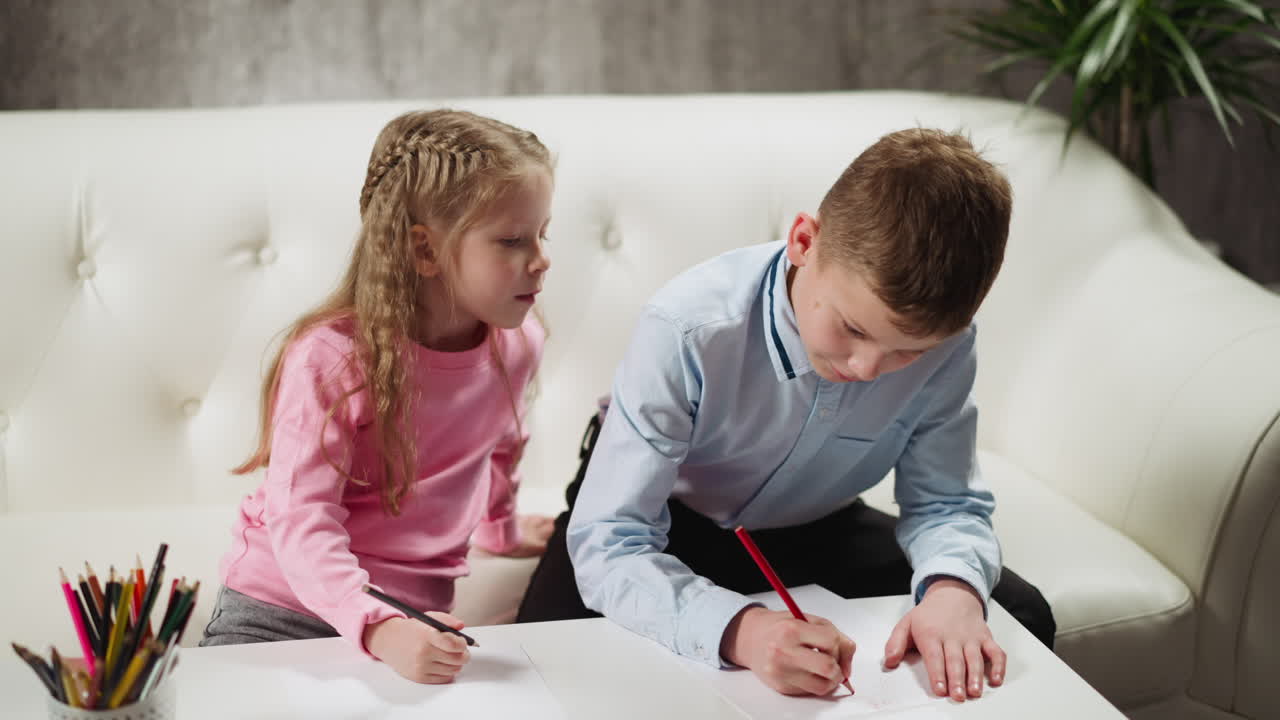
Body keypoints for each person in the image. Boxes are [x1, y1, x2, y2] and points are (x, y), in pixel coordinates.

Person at [517, 128, 1054, 703]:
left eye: (908, 352)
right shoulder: (687, 328)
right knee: (544, 657)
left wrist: (952, 590)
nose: (870, 368)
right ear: (804, 240)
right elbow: (610, 543)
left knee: (1017, 613)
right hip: (667, 521)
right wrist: (740, 630)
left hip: (815, 522)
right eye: (852, 328)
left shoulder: (951, 346)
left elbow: (946, 504)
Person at [201, 109, 557, 686]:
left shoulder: (518, 344)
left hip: (417, 623)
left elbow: (500, 441)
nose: (541, 258)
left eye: (544, 232)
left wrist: (502, 528)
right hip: (283, 614)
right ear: (425, 251)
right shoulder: (332, 357)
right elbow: (301, 518)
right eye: (512, 240)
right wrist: (378, 625)